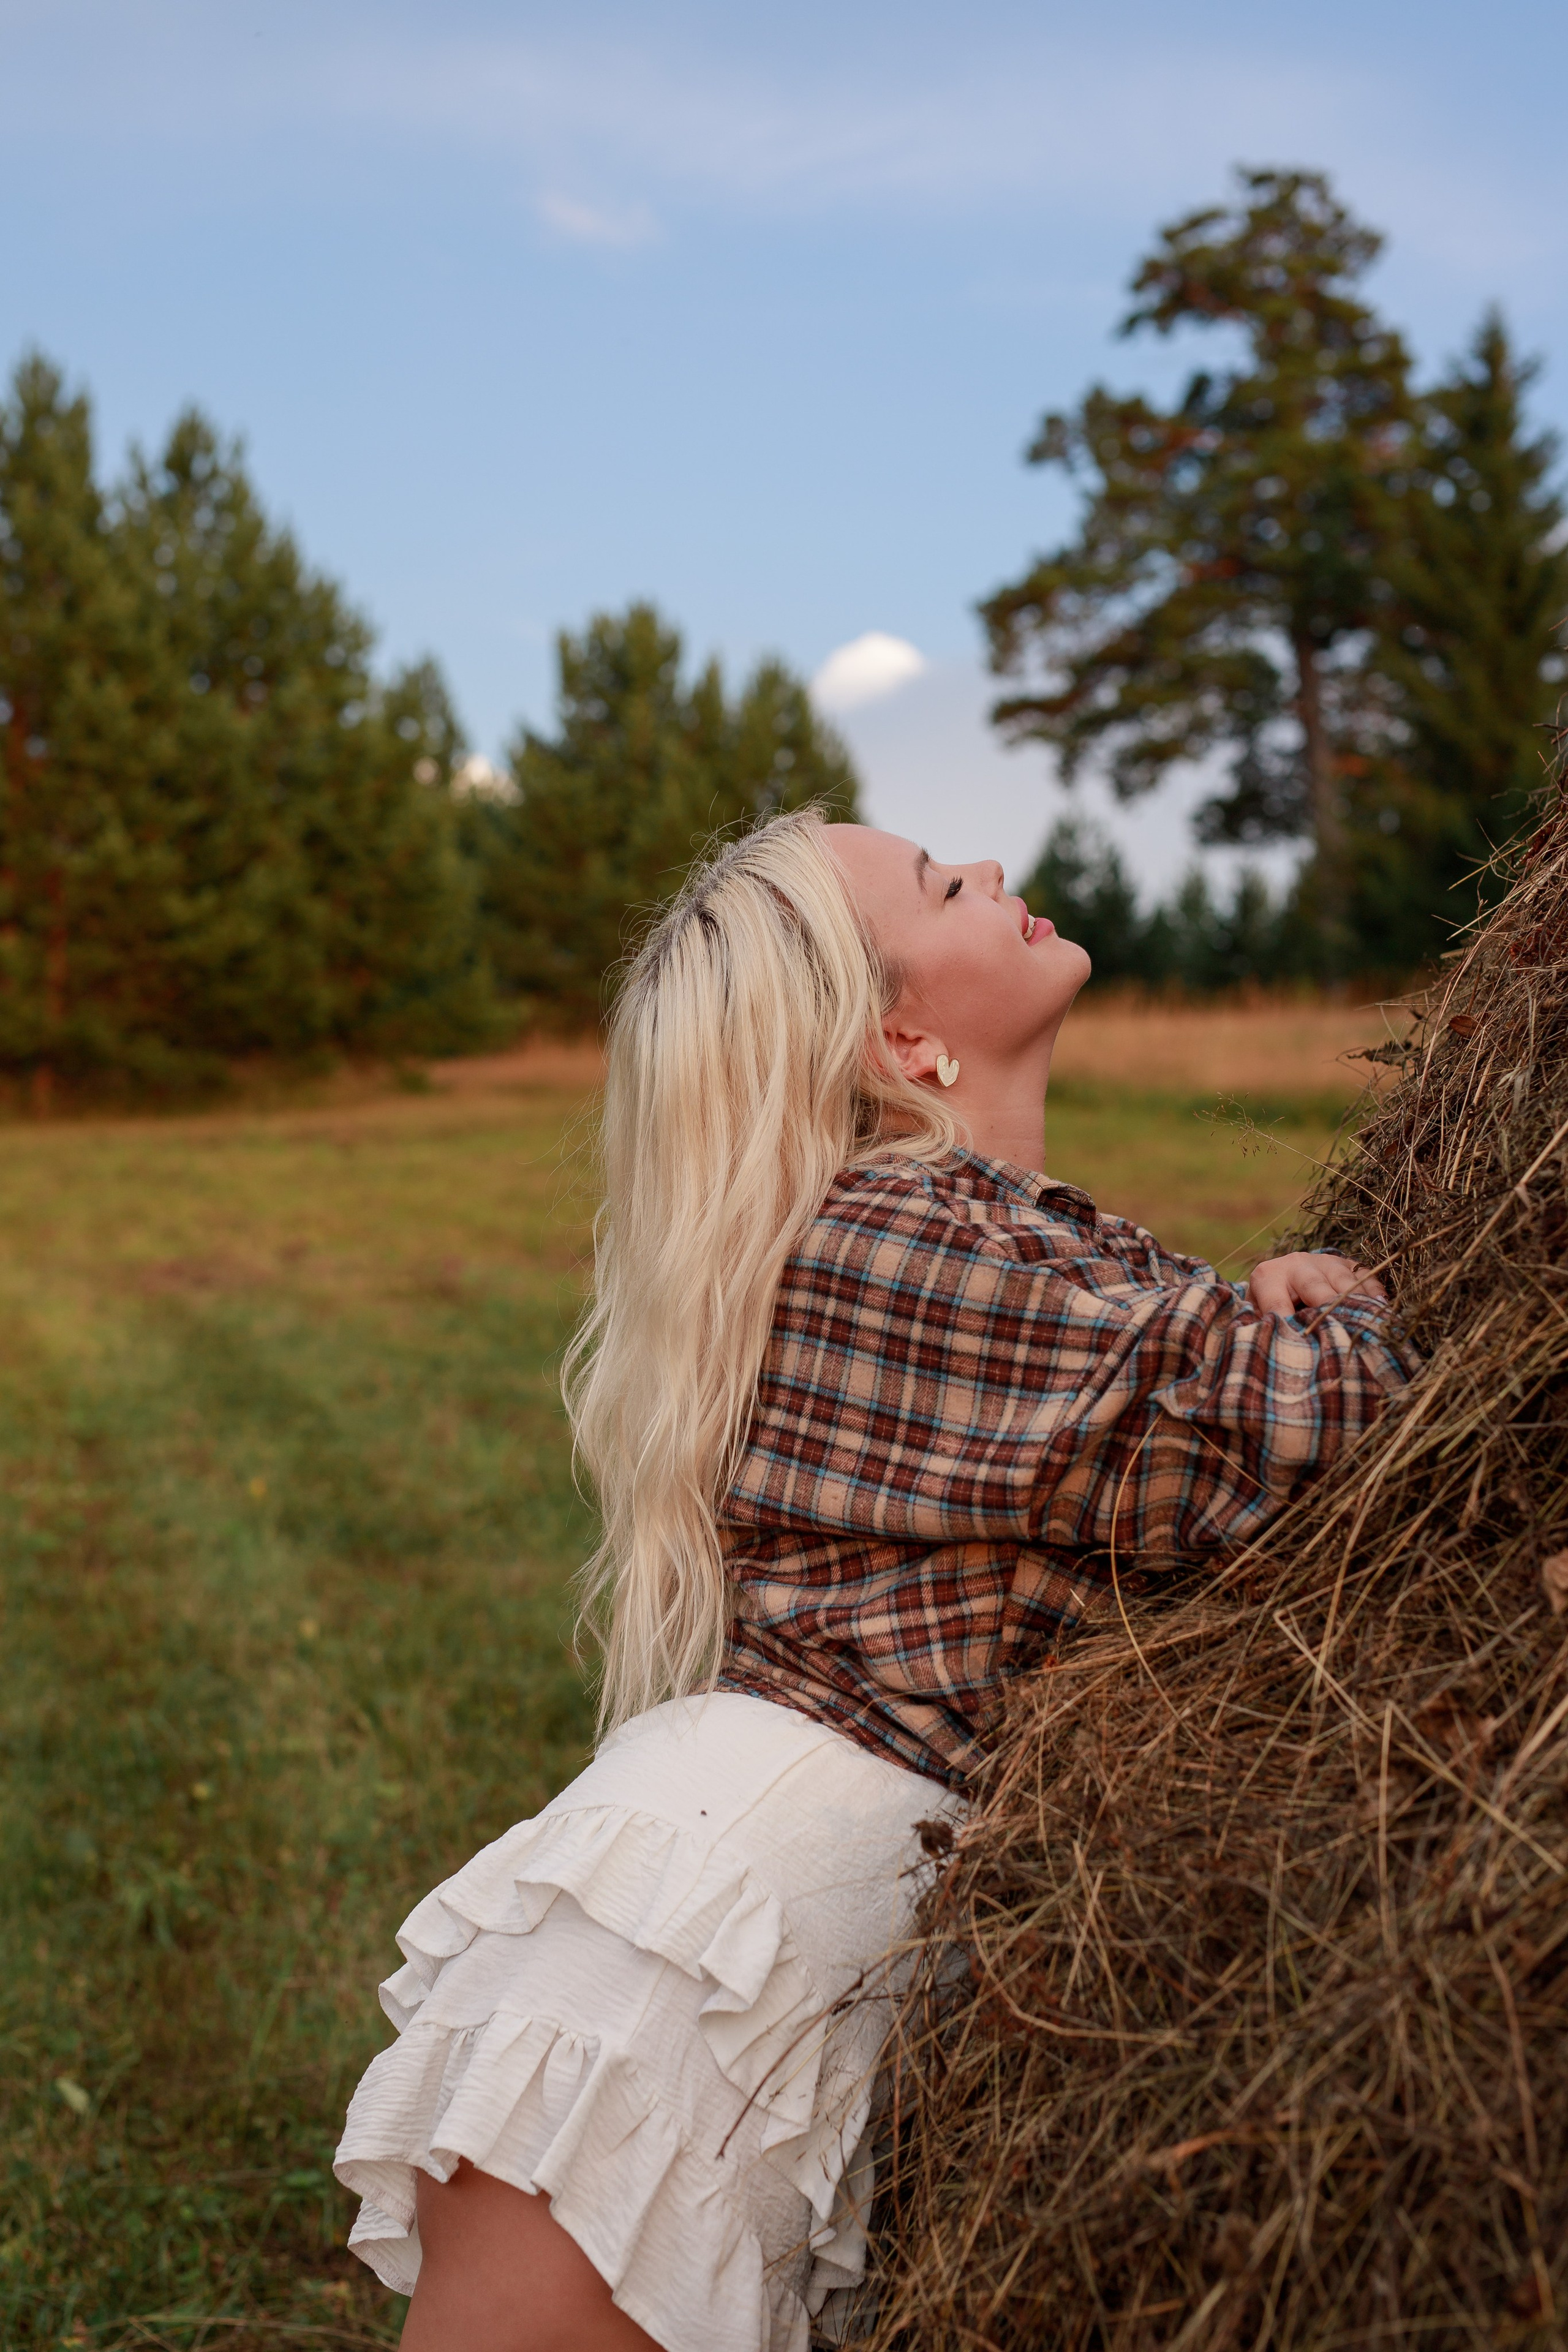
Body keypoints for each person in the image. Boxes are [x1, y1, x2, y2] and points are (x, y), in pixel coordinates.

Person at [334, 809, 1411, 2352]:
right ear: (901, 1037)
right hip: (694, 1971)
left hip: (820, 1944)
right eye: (939, 883)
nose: (989, 871)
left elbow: (1210, 1441)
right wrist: (1338, 1308)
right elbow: (1312, 1430)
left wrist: (1266, 1312)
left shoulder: (1005, 1238)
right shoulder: (891, 1237)